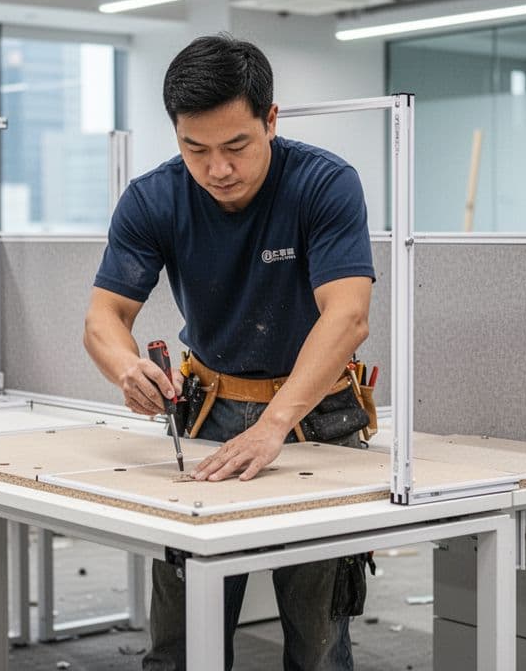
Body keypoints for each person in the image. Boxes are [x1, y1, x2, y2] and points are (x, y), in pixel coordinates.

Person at [83, 34, 375, 671]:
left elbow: (347, 316)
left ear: (271, 120)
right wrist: (125, 365)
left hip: (314, 420)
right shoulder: (153, 198)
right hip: (207, 416)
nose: (217, 169)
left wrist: (274, 427)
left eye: (237, 146)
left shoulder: (323, 185)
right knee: (182, 637)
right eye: (196, 149)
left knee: (318, 643)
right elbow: (104, 316)